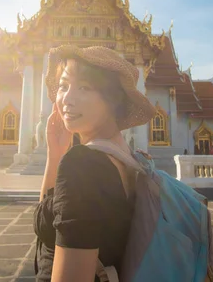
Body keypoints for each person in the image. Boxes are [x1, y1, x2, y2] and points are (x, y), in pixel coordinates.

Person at [34, 45, 156, 282]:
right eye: (63, 86)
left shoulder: (83, 166)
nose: (67, 99)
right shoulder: (129, 158)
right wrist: (55, 153)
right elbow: (48, 218)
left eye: (84, 87)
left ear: (112, 100)